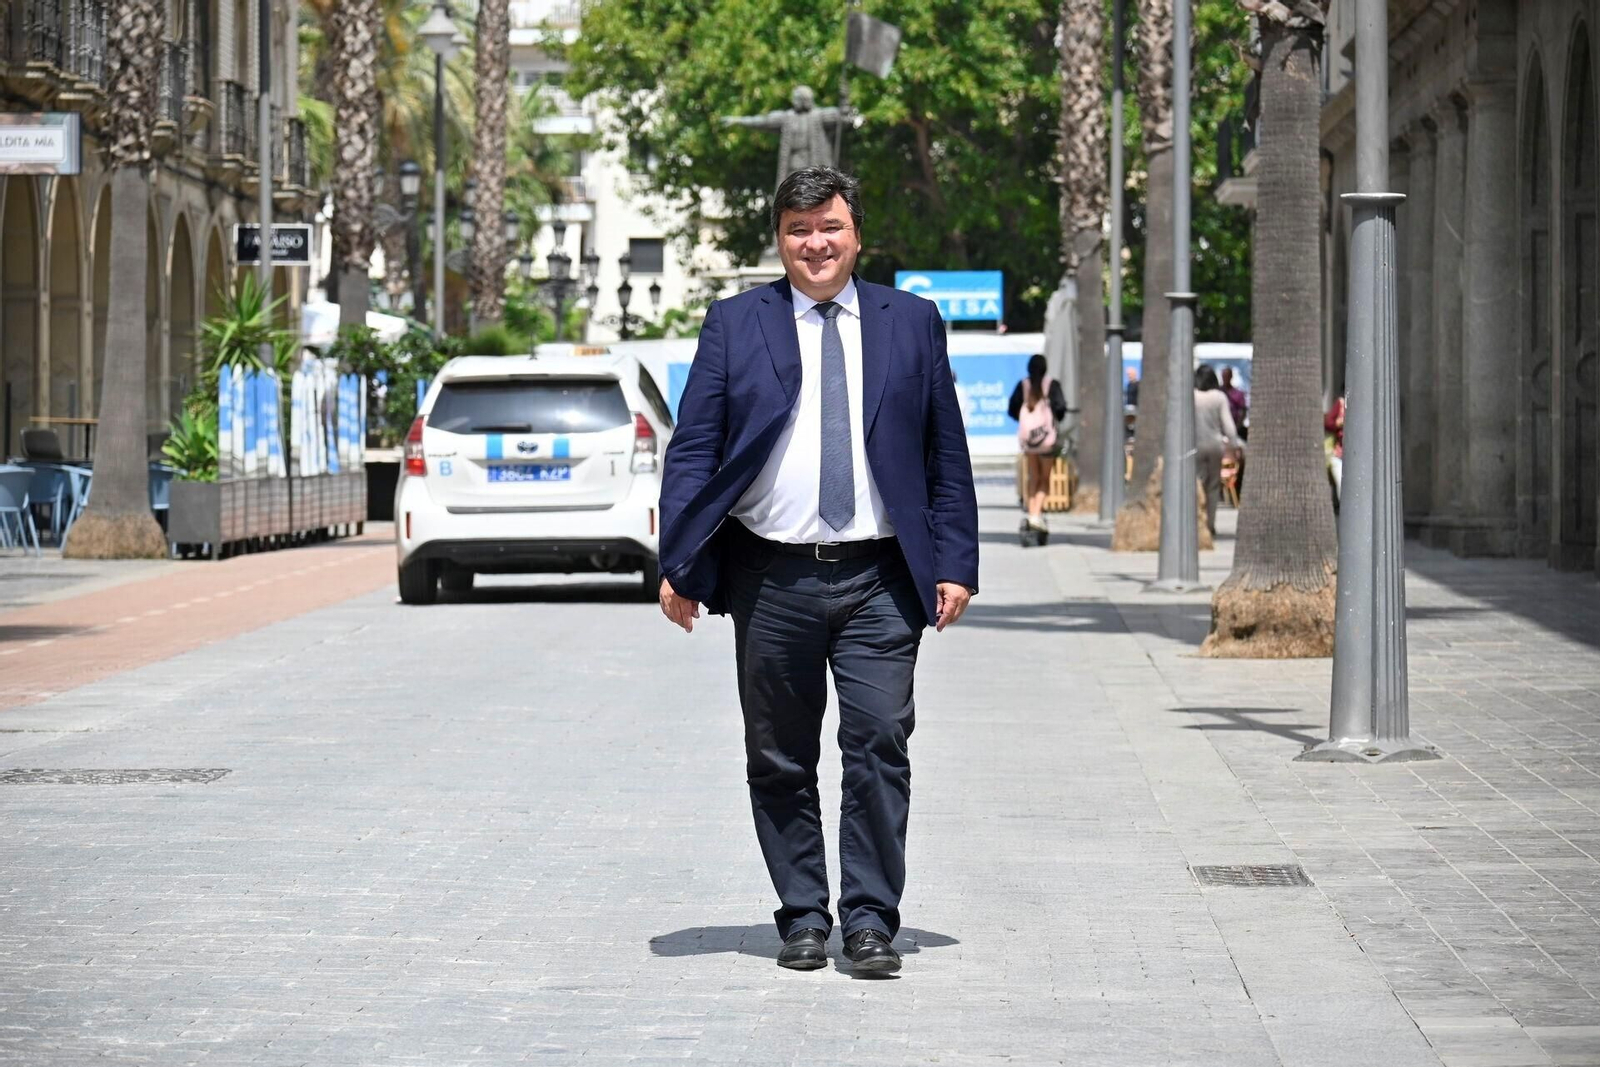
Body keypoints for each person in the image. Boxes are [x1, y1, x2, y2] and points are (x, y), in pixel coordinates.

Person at [657, 166, 979, 976]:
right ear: (780, 240)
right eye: (799, 230)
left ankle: (870, 918)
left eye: (829, 227)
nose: (816, 244)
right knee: (779, 756)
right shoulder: (736, 323)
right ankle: (803, 913)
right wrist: (681, 564)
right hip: (771, 577)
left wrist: (956, 562)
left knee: (878, 739)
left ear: (856, 233)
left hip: (880, 576)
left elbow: (946, 452)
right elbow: (694, 448)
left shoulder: (912, 323)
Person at [1007, 354, 1068, 541]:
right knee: (1045, 478)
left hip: (1029, 443)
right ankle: (1036, 514)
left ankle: (1032, 512)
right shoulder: (1051, 385)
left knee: (1033, 476)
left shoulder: (1023, 386)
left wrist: (1025, 422)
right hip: (1047, 441)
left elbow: (1012, 408)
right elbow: (1061, 408)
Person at [1193, 365, 1242, 537]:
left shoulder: (1192, 396)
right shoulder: (1219, 397)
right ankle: (1210, 524)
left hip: (1195, 446)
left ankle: (1196, 522)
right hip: (1215, 445)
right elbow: (1228, 425)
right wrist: (1234, 446)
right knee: (1213, 486)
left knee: (1197, 484)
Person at [1220, 367, 1248, 440]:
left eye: (1227, 376)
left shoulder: (1238, 394)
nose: (1225, 378)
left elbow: (1243, 410)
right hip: (1220, 428)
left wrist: (1237, 427)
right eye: (1224, 376)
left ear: (1231, 377)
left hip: (1235, 426)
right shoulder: (1218, 393)